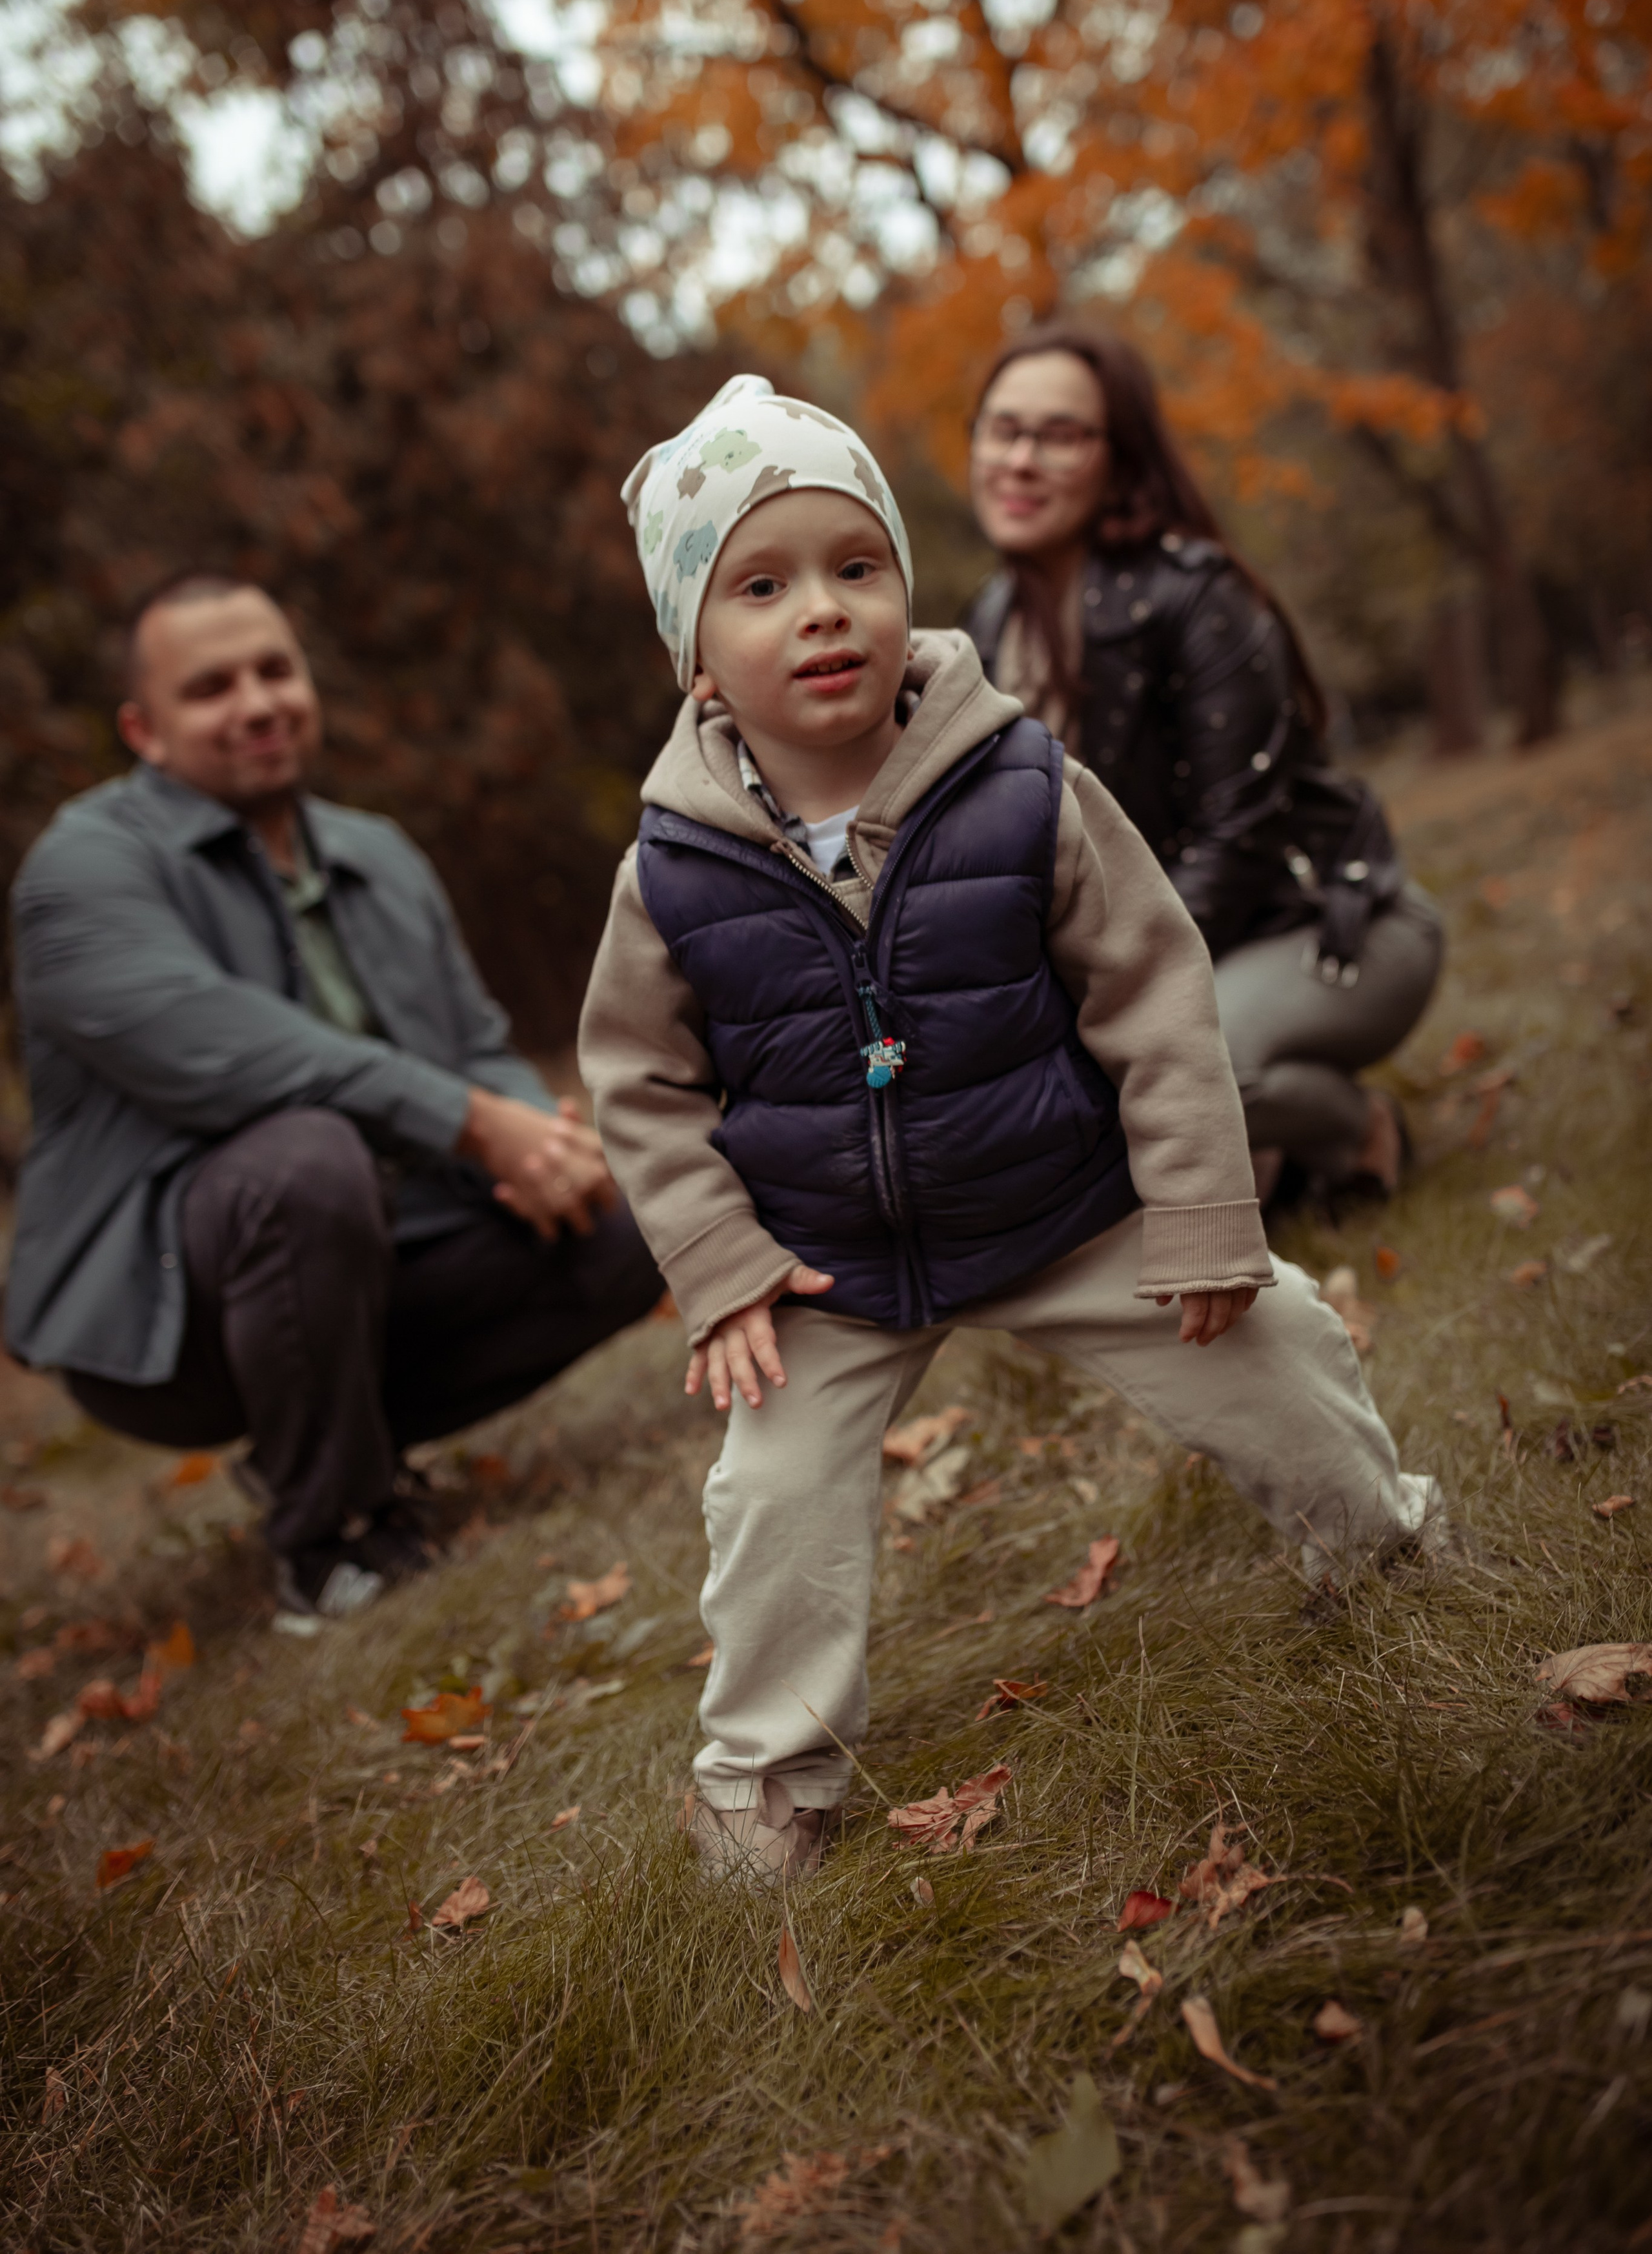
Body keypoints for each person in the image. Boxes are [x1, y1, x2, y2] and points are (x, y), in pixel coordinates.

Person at [578, 374, 1440, 1887]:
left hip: (1061, 1194)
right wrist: (718, 1264)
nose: (823, 612)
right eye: (762, 586)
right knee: (768, 1499)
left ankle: (1379, 1541)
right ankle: (765, 1777)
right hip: (825, 1260)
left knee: (1272, 1342)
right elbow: (637, 1084)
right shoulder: (675, 871)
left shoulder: (1016, 783)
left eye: (856, 567)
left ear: (901, 586)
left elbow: (1154, 987)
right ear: (693, 659)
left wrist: (1194, 1211)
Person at [6, 573, 662, 1617]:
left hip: (385, 1248)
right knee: (307, 1158)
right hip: (177, 1299)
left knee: (634, 1223)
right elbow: (237, 1056)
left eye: (276, 669)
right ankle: (332, 1540)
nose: (259, 701)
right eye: (212, 686)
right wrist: (473, 1120)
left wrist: (539, 1141)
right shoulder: (82, 871)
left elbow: (475, 1045)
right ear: (145, 729)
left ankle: (315, 1447)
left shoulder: (376, 854)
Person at [963, 323, 1444, 1209]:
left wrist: (1114, 1007)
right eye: (1003, 429)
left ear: (1122, 456)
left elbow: (1239, 839)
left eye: (1060, 434)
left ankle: (1358, 1129)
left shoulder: (1195, 593)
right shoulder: (993, 623)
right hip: (1189, 950)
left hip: (1332, 928)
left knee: (1178, 1067)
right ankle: (1263, 1155)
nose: (1021, 459)